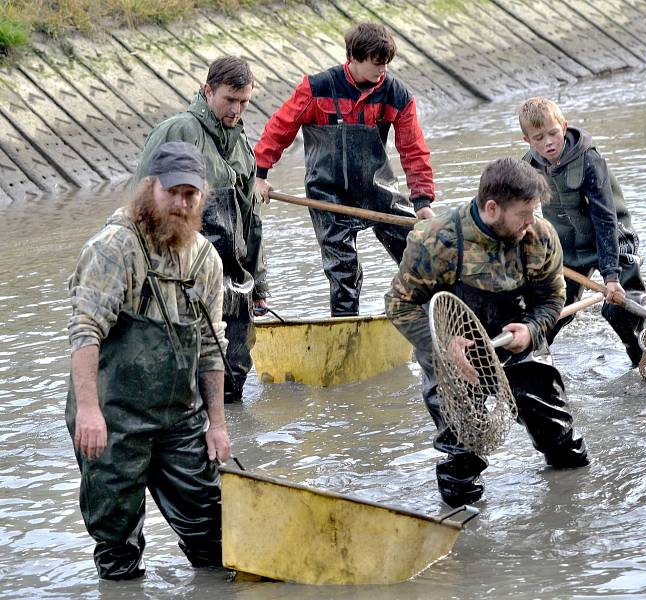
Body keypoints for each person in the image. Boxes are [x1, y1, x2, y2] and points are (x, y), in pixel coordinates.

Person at [66, 141, 231, 579]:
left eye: (190, 194)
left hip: (179, 418)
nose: (180, 203)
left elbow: (213, 348)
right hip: (112, 418)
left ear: (201, 198)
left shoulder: (206, 259)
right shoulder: (114, 248)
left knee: (215, 536)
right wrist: (88, 411)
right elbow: (84, 331)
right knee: (117, 539)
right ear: (149, 187)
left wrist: (217, 423)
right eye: (172, 191)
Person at [385, 158, 589, 507]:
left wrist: (532, 329)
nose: (531, 221)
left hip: (515, 346)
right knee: (461, 461)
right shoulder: (436, 240)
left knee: (564, 445)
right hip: (452, 358)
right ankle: (463, 535)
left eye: (534, 211)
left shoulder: (539, 237)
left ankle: (570, 511)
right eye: (524, 213)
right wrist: (443, 345)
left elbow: (552, 299)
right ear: (492, 208)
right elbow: (399, 305)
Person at [253, 21, 435, 317]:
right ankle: (346, 328)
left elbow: (413, 150)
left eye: (387, 63)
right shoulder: (316, 88)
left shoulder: (396, 94)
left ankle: (432, 317)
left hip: (377, 190)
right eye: (377, 63)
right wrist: (260, 175)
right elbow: (279, 129)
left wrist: (423, 201)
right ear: (354, 57)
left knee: (416, 253)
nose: (383, 70)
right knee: (344, 272)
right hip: (327, 193)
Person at [133, 56, 268, 403]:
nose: (236, 110)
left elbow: (251, 221)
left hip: (234, 287)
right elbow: (141, 208)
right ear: (208, 91)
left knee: (232, 386)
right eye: (229, 100)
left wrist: (259, 284)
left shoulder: (242, 147)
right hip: (184, 281)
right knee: (184, 390)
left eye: (244, 102)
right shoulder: (177, 131)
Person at [518, 96, 646, 365]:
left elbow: (605, 219)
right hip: (567, 249)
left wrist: (611, 275)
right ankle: (531, 366)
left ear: (564, 127)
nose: (548, 143)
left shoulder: (589, 160)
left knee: (618, 311)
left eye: (553, 133)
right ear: (527, 141)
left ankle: (644, 360)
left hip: (612, 239)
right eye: (539, 138)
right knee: (547, 315)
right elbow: (516, 213)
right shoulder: (528, 168)